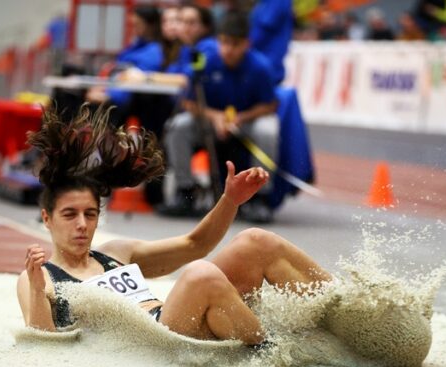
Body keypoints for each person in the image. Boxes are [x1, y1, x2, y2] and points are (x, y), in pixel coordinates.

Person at [17, 106, 331, 345]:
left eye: (90, 213)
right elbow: (43, 340)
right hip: (153, 344)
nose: (82, 225)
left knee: (256, 241)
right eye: (70, 215)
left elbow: (196, 245)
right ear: (47, 218)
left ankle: (348, 315)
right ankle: (273, 350)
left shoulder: (114, 253)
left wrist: (230, 200)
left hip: (177, 317)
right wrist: (34, 289)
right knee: (200, 274)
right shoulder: (40, 277)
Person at [158, 11, 279, 224]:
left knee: (268, 129)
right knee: (178, 125)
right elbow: (187, 102)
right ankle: (186, 191)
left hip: (245, 122)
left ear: (246, 44)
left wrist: (241, 117)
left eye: (235, 44)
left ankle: (259, 198)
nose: (228, 50)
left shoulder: (260, 66)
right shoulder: (204, 61)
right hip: (209, 120)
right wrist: (214, 116)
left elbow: (271, 105)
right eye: (223, 43)